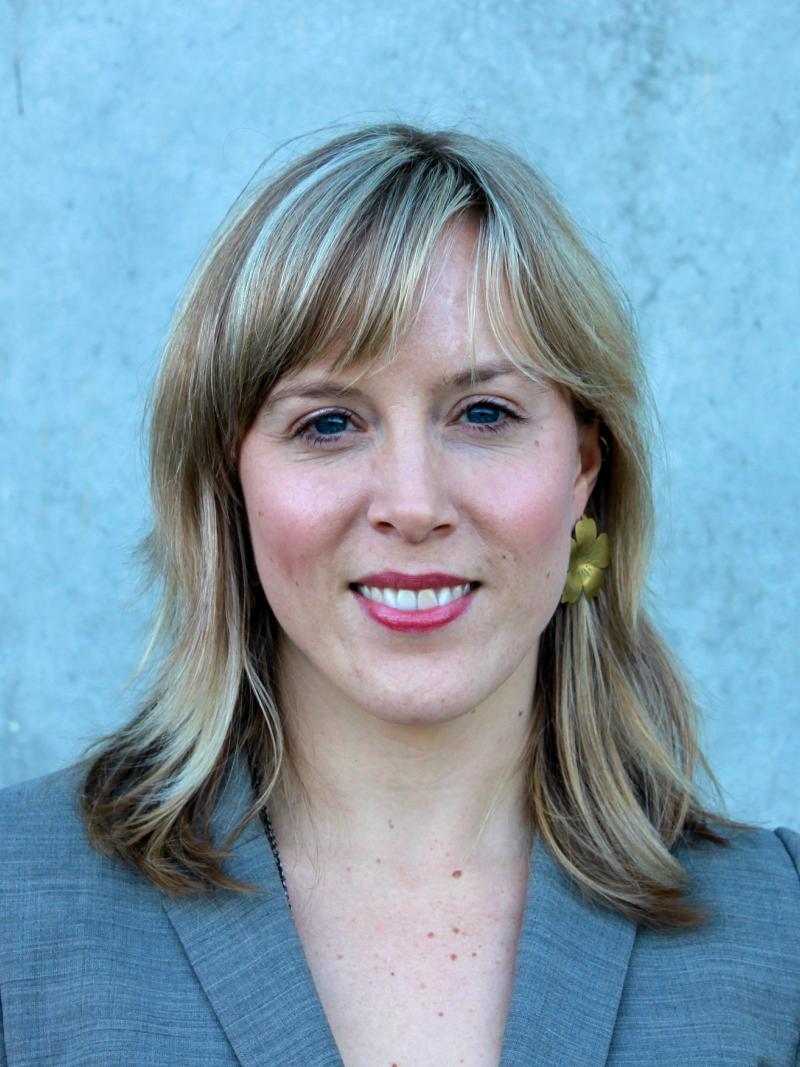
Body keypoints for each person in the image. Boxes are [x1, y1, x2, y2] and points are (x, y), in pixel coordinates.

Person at [1, 123, 798, 1067]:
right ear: (233, 478)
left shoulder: (777, 930)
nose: (413, 505)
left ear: (584, 466)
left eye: (485, 413)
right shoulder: (18, 903)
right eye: (329, 422)